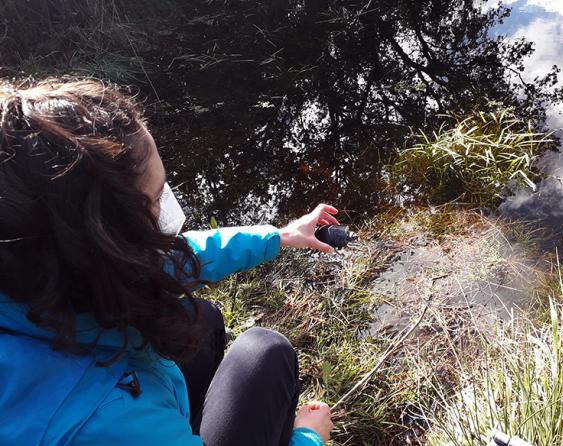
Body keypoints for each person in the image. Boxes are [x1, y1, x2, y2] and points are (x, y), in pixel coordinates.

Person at [0, 79, 336, 445]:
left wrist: (279, 236)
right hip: (123, 418)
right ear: (107, 243)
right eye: (156, 199)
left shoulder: (34, 272)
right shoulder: (107, 425)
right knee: (265, 353)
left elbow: (165, 262)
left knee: (202, 320)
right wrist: (307, 438)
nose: (165, 214)